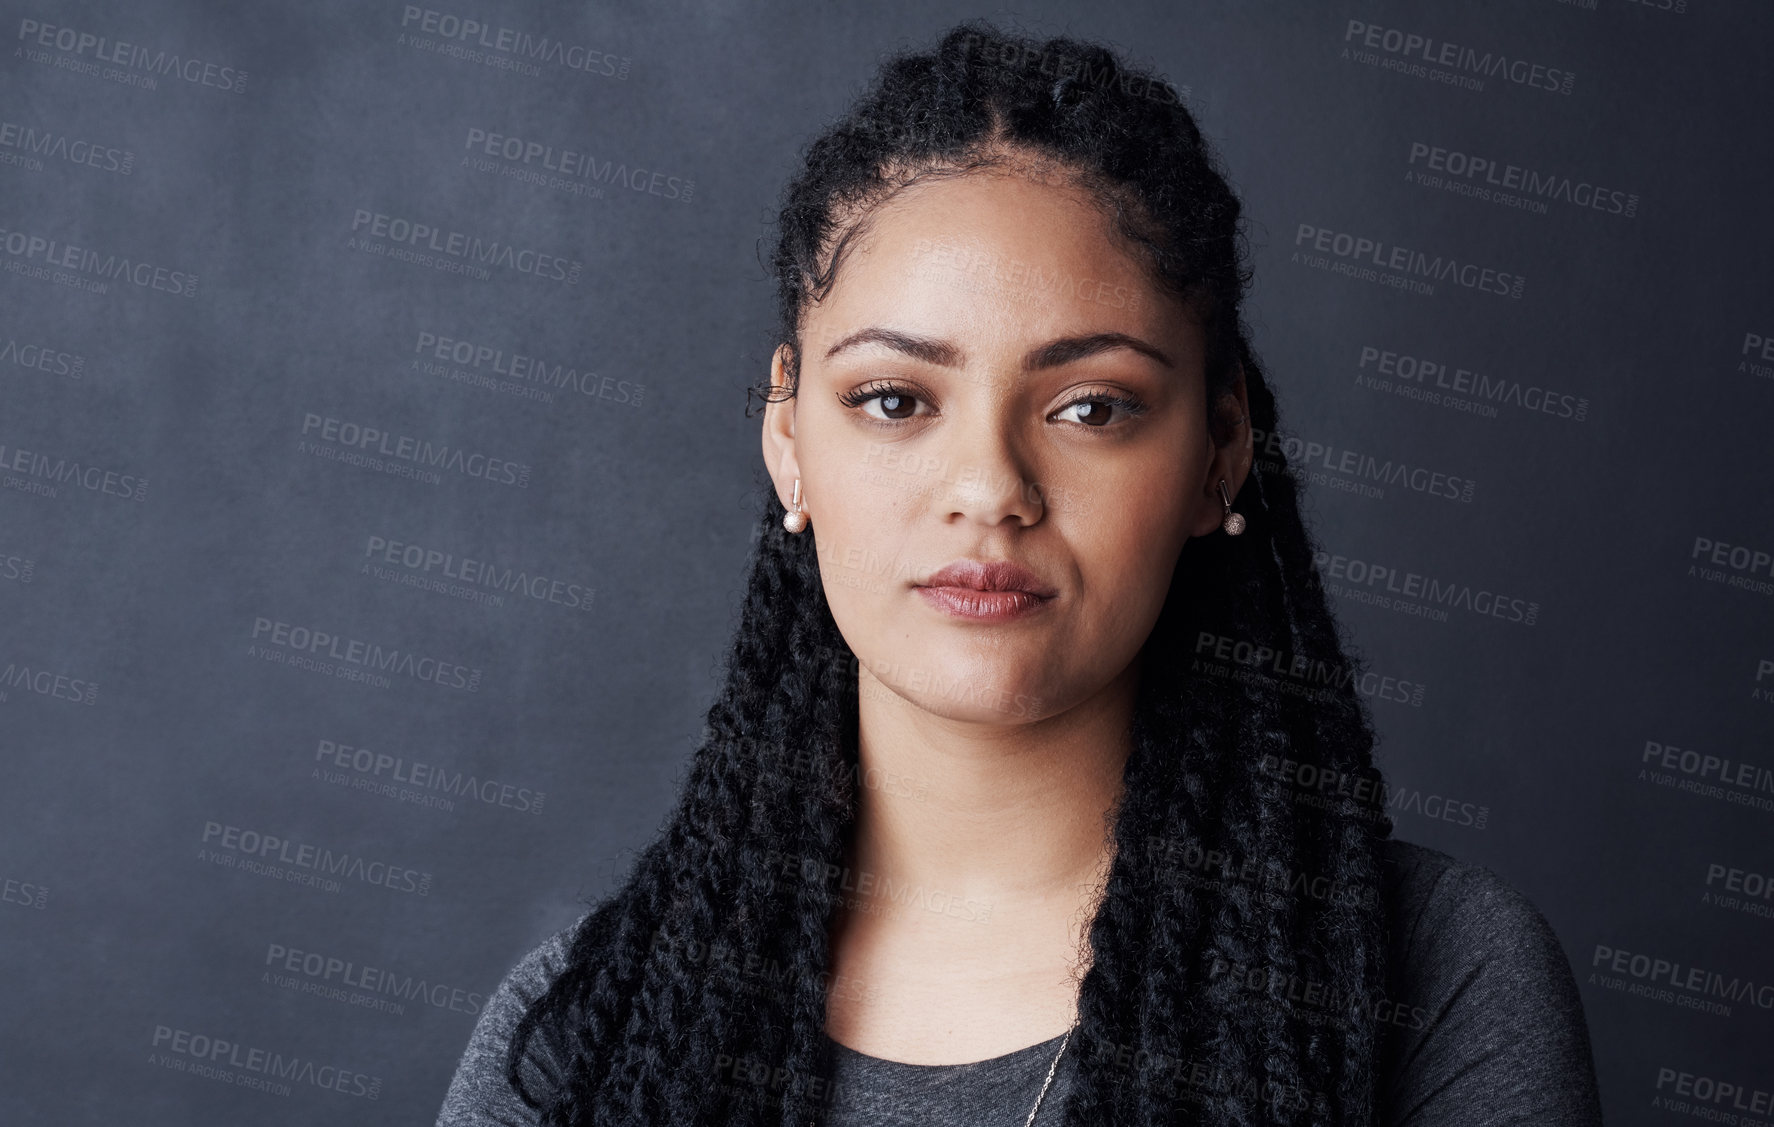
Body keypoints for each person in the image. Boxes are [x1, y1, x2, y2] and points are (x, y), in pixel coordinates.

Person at [437, 20, 1603, 1127]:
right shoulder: (583, 1028)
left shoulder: (1428, 971)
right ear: (788, 436)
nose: (989, 485)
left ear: (1219, 451)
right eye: (894, 400)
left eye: (1091, 406)